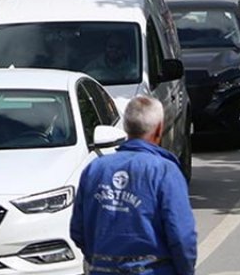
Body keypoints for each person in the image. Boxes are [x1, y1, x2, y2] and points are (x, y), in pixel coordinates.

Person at [70, 96, 196, 275]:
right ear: (159, 129)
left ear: (126, 127)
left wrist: (101, 261)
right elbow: (182, 235)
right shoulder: (165, 171)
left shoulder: (95, 169)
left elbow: (78, 230)